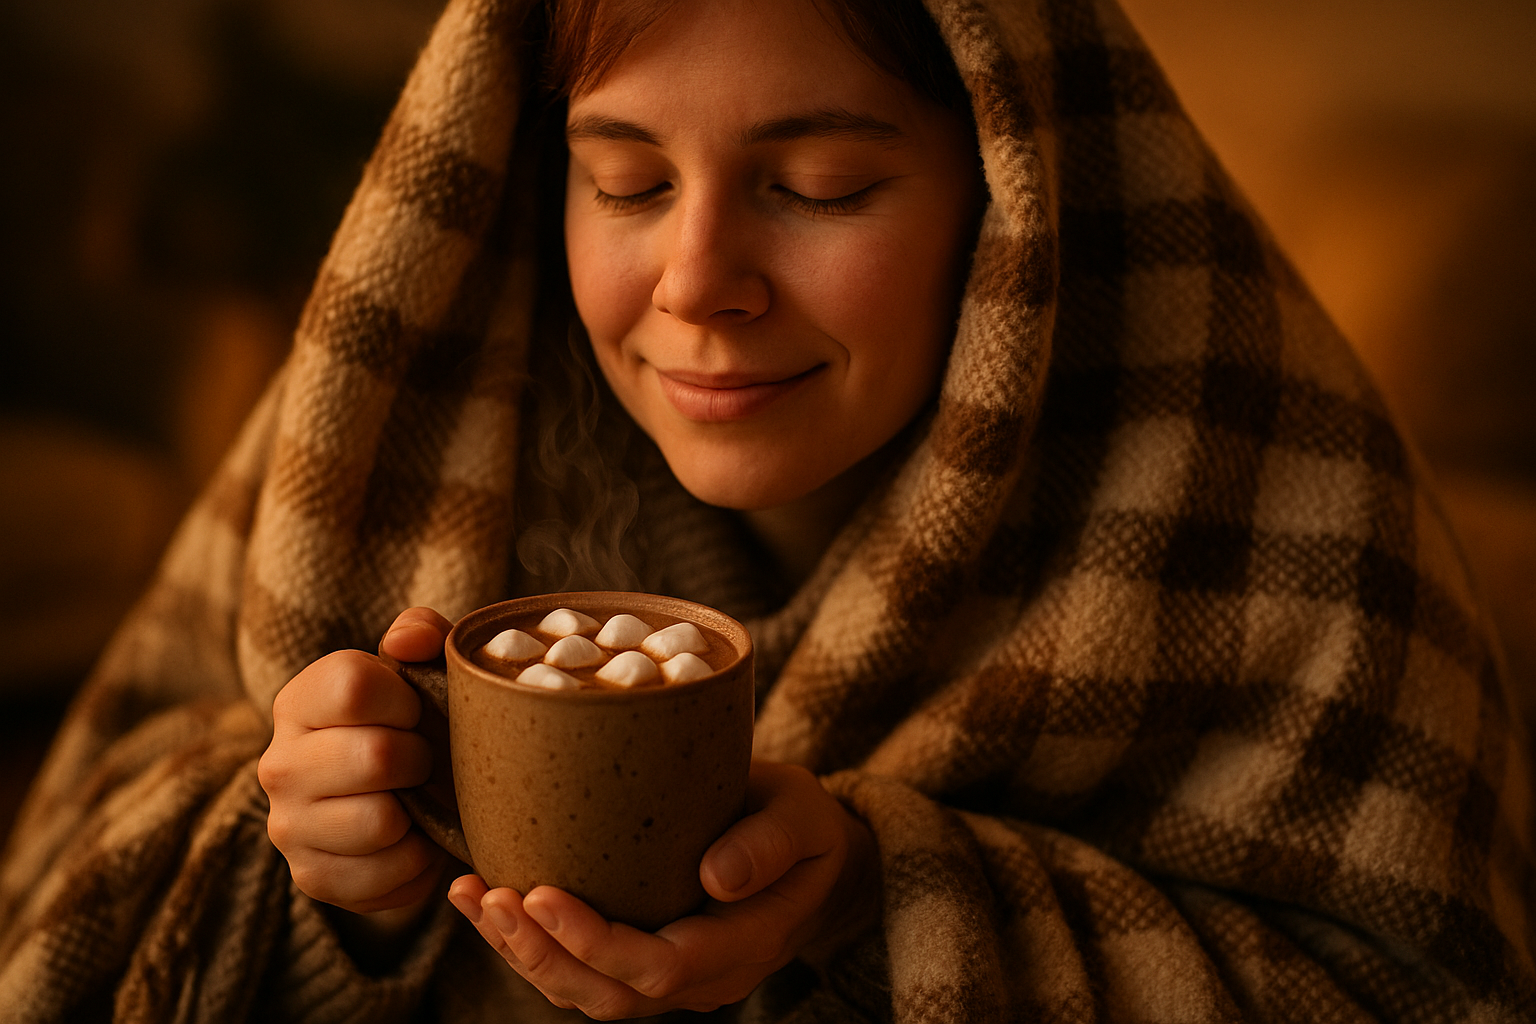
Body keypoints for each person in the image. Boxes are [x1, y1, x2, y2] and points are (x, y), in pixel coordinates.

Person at [1, 0, 1531, 1020]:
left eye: (816, 187)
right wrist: (337, 881)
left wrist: (890, 899)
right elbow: (78, 878)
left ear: (1017, 208)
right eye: (625, 181)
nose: (696, 284)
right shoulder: (408, 460)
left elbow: (1421, 989)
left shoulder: (1260, 534)